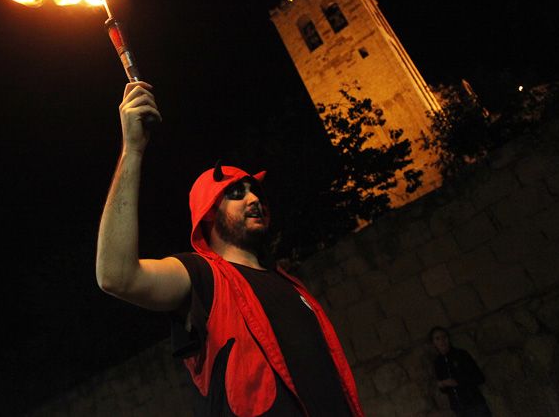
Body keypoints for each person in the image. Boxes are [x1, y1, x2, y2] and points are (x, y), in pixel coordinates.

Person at [96, 82, 363, 416]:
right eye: (236, 193)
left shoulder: (291, 285)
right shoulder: (201, 276)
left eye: (255, 192)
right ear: (209, 214)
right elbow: (116, 276)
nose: (253, 198)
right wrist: (132, 150)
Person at [429, 326, 492, 417]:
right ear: (433, 343)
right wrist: (442, 384)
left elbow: (479, 377)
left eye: (444, 337)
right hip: (459, 408)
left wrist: (458, 382)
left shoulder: (461, 355)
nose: (442, 341)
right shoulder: (438, 363)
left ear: (448, 338)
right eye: (437, 339)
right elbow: (444, 388)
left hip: (474, 403)